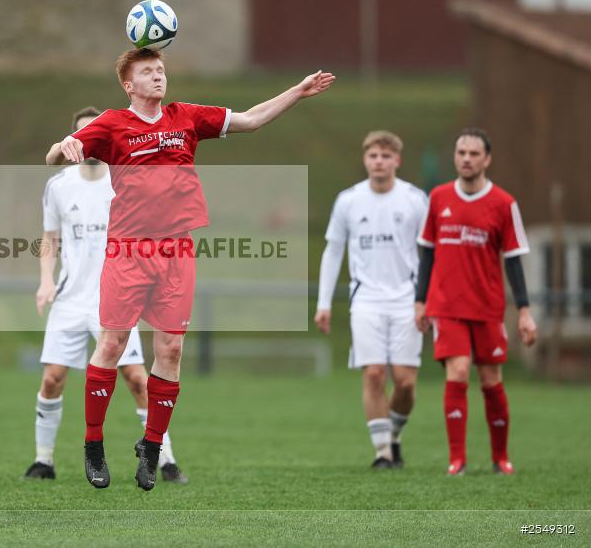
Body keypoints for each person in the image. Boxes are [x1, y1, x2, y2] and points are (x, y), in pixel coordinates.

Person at [46, 47, 334, 490]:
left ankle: (152, 446)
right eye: (148, 71)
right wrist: (62, 147)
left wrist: (298, 91)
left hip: (176, 250)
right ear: (129, 84)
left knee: (172, 351)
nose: (159, 76)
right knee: (113, 344)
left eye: (161, 69)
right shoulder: (111, 123)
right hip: (128, 249)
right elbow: (54, 157)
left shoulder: (186, 117)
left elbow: (252, 120)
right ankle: (93, 444)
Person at [24, 107, 187, 484]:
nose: (90, 142)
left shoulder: (125, 179)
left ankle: (165, 459)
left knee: (136, 378)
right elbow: (50, 238)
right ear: (74, 142)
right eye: (82, 136)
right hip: (70, 299)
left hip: (117, 295)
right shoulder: (59, 185)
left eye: (95, 134)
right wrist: (46, 280)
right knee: (52, 378)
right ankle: (43, 460)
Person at [415, 128, 537, 476]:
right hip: (446, 305)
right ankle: (457, 459)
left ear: (487, 159)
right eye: (461, 152)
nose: (466, 159)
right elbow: (427, 252)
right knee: (458, 371)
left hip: (487, 307)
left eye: (473, 153)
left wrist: (525, 311)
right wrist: (420, 301)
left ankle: (500, 457)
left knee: (490, 378)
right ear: (455, 157)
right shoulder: (437, 198)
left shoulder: (503, 203)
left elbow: (514, 259)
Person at [315, 131, 428, 469]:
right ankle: (382, 452)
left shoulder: (415, 200)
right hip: (366, 300)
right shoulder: (349, 200)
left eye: (386, 156)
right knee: (375, 374)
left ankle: (393, 436)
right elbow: (333, 251)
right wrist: (323, 302)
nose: (379, 162)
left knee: (405, 382)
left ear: (397, 160)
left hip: (407, 299)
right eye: (373, 156)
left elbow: (431, 252)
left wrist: (428, 298)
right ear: (365, 160)